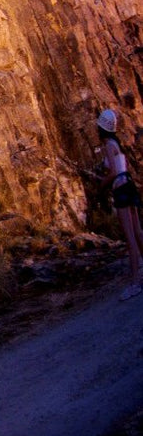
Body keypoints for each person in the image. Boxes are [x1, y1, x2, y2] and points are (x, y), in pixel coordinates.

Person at [93, 109, 143, 300]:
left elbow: (113, 173)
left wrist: (101, 184)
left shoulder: (107, 146)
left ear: (101, 128)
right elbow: (124, 168)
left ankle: (134, 283)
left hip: (120, 190)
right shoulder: (117, 144)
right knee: (138, 232)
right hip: (129, 185)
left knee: (130, 238)